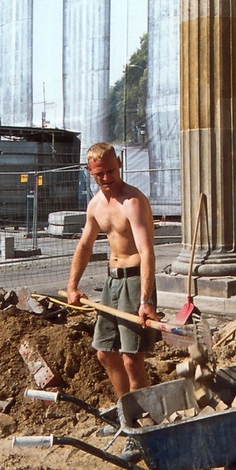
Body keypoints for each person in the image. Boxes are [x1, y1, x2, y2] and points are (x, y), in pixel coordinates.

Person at [66, 142, 159, 399]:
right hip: (112, 282)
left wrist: (146, 299)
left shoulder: (132, 202)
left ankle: (142, 417)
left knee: (131, 358)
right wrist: (72, 286)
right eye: (99, 173)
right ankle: (124, 410)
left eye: (110, 170)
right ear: (90, 171)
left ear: (118, 163)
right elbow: (84, 245)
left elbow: (147, 251)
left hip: (134, 282)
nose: (106, 178)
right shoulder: (95, 206)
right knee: (105, 353)